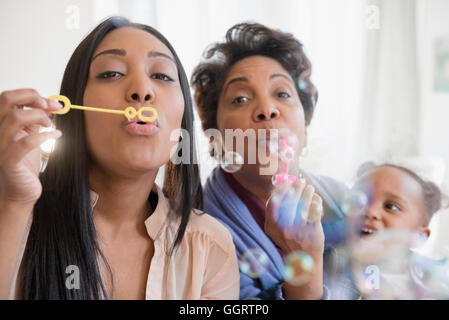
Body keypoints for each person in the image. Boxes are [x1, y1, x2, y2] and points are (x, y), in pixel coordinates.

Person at [0, 16, 239, 300]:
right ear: (73, 106)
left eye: (162, 75)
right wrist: (14, 204)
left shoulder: (210, 246)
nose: (142, 90)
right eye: (111, 73)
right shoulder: (14, 209)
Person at [191, 22, 347, 299]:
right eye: (240, 99)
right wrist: (304, 260)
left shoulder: (342, 199)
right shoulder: (193, 237)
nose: (266, 109)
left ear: (305, 130)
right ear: (216, 139)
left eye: (282, 94)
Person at [325, 162, 446, 299]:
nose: (370, 212)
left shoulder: (431, 284)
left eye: (391, 207)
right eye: (359, 201)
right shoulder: (326, 262)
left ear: (418, 236)